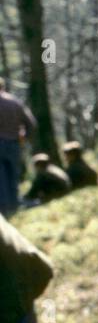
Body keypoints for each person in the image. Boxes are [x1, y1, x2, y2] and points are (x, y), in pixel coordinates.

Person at [0, 78, 36, 219]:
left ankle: (4, 212)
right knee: (13, 177)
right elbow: (31, 123)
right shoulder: (15, 102)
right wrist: (24, 138)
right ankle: (14, 209)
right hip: (14, 144)